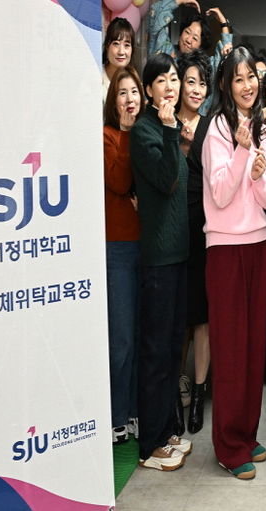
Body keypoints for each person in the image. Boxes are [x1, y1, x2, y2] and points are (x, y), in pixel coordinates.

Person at [201, 46, 266, 480]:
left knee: (253, 349)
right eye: (239, 78)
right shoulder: (217, 128)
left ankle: (246, 434)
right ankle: (229, 448)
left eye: (252, 77)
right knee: (231, 351)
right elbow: (221, 194)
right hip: (227, 250)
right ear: (226, 85)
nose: (248, 86)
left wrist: (259, 172)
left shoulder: (260, 126)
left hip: (260, 243)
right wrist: (243, 152)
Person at [131, 53, 191, 471]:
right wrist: (172, 133)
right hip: (157, 260)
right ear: (149, 90)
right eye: (162, 80)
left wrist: (174, 134)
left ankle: (168, 429)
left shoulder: (167, 129)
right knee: (155, 353)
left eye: (174, 78)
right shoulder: (145, 131)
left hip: (178, 257)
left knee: (172, 350)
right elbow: (168, 180)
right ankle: (150, 445)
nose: (171, 86)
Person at [103, 66, 145, 445]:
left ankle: (132, 410)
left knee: (137, 333)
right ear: (112, 100)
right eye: (122, 92)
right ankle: (117, 415)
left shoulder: (142, 133)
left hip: (144, 246)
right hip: (116, 247)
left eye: (134, 91)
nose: (129, 98)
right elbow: (118, 181)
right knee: (122, 339)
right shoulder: (108, 136)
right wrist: (128, 134)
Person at [174, 50, 213, 435]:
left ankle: (200, 392)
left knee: (202, 316)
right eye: (190, 82)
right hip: (173, 228)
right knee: (178, 318)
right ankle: (176, 389)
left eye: (202, 83)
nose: (196, 89)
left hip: (205, 228)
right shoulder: (165, 123)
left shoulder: (212, 126)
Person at [147, 0, 232, 113]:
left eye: (195, 38)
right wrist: (182, 0)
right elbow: (156, 15)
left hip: (195, 122)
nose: (188, 40)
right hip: (159, 119)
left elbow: (225, 54)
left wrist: (223, 24)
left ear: (201, 46)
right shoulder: (166, 53)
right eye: (187, 32)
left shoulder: (204, 68)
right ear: (181, 32)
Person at [102, 18, 135, 101]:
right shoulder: (96, 78)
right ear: (107, 46)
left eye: (127, 45)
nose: (121, 52)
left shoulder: (134, 82)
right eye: (116, 44)